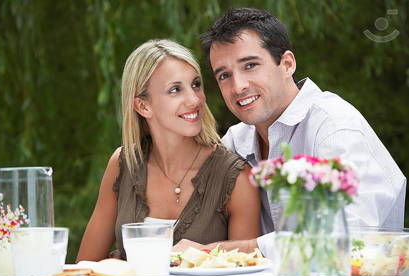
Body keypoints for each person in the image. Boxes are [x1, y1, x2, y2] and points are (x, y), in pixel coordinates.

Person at [173, 8, 406, 256]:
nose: (238, 86)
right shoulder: (235, 141)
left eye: (250, 65)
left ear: (287, 64)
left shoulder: (334, 127)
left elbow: (352, 237)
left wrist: (228, 250)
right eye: (224, 75)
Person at [76, 39, 262, 262]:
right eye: (175, 90)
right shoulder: (122, 164)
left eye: (196, 85)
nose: (194, 100)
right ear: (143, 106)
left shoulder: (237, 178)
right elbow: (84, 271)